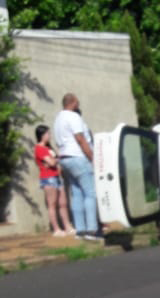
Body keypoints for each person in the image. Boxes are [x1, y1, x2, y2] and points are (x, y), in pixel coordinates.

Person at [53, 93, 99, 240]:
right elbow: (80, 139)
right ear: (72, 103)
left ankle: (80, 230)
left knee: (77, 193)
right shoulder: (73, 117)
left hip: (65, 158)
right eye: (77, 102)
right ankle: (91, 230)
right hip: (77, 157)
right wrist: (92, 157)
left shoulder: (58, 118)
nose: (78, 104)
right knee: (90, 193)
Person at [34, 125, 75, 236]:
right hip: (48, 178)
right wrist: (57, 159)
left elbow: (53, 162)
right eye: (48, 134)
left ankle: (68, 227)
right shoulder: (39, 149)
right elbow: (51, 162)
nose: (49, 136)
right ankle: (56, 229)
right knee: (52, 204)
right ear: (42, 135)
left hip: (57, 177)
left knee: (63, 203)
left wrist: (55, 160)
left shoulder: (48, 148)